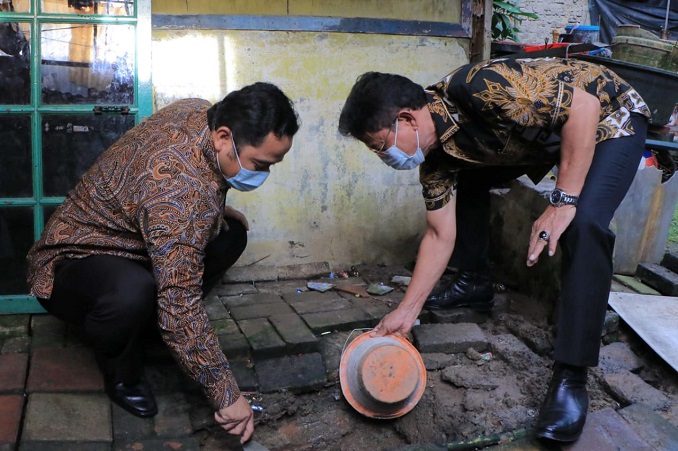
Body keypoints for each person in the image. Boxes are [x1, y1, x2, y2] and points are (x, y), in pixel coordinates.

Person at [338, 56, 650, 443]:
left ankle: (572, 375)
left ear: (406, 120)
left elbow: (582, 108)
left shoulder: (479, 86)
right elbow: (438, 235)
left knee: (584, 223)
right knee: (467, 180)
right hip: (546, 139)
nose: (385, 158)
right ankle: (474, 281)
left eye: (380, 146)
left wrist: (562, 201)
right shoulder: (435, 163)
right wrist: (407, 311)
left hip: (607, 117)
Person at [27, 82, 300, 444]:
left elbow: (197, 186)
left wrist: (218, 212)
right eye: (260, 164)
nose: (263, 175)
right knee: (134, 293)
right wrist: (227, 395)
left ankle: (152, 329)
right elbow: (180, 304)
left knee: (231, 232)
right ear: (223, 136)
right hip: (72, 260)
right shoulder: (178, 192)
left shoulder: (199, 110)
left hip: (135, 239)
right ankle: (121, 371)